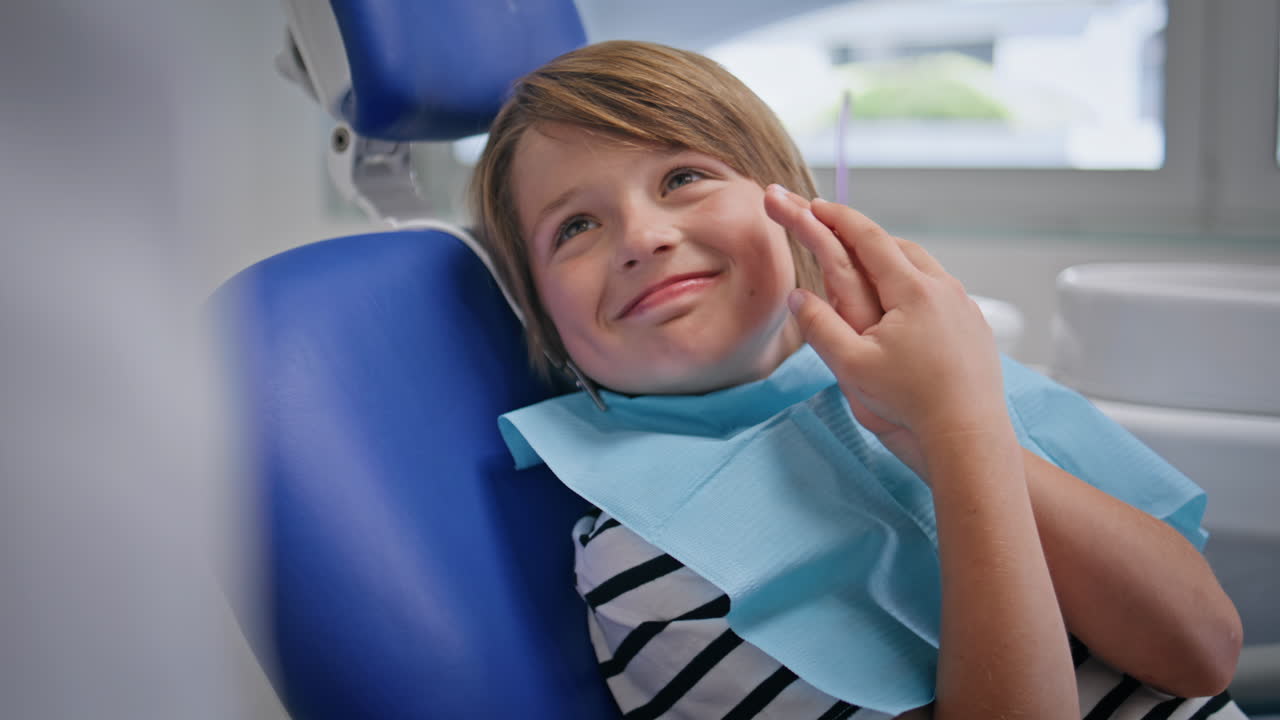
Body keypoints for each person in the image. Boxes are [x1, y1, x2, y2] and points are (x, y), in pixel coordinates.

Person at [470, 40, 1244, 719]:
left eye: (683, 177)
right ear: (543, 317)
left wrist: (954, 418)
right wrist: (958, 433)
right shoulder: (644, 563)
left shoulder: (941, 368)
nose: (642, 236)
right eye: (575, 227)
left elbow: (1202, 654)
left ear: (794, 205)